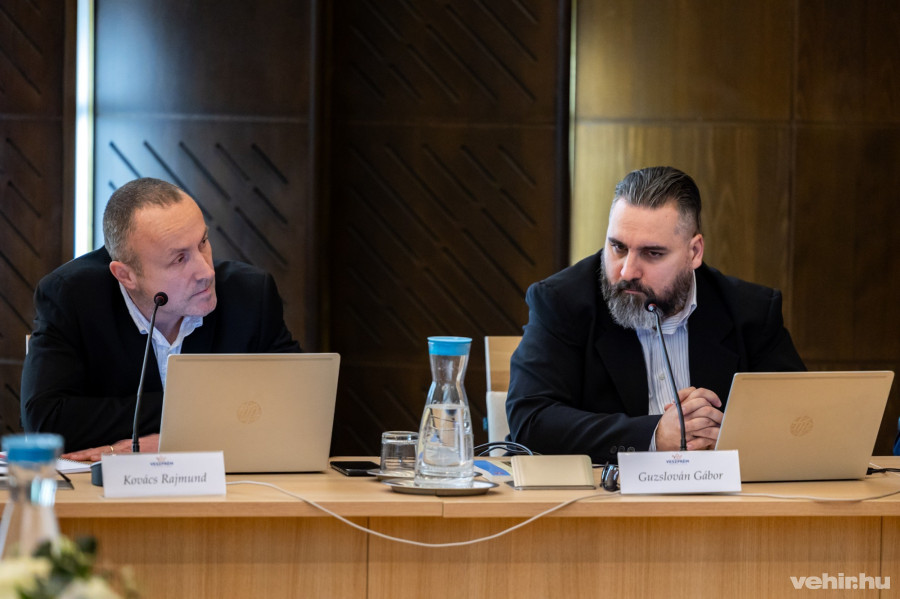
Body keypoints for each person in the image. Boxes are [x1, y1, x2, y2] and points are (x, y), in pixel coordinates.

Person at [506, 166, 805, 463]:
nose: (627, 271)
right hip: (605, 490)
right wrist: (654, 435)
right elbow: (531, 421)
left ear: (694, 252)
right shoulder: (562, 302)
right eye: (618, 247)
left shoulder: (750, 311)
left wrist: (725, 434)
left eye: (652, 254)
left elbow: (801, 419)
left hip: (721, 489)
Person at [21, 178, 300, 460]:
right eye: (179, 259)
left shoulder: (251, 295)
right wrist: (202, 412)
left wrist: (177, 440)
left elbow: (300, 407)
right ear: (126, 275)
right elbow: (46, 421)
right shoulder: (72, 297)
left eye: (203, 243)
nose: (206, 272)